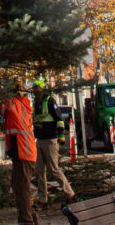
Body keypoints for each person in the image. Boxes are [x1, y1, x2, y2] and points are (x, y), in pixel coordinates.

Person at [31, 79, 75, 208]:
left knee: (54, 169)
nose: (34, 90)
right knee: (39, 170)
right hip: (39, 140)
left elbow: (59, 119)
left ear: (42, 88)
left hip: (50, 140)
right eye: (33, 88)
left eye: (36, 88)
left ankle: (70, 194)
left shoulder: (49, 101)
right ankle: (42, 199)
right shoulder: (35, 103)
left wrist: (61, 135)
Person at [0, 87, 38, 225]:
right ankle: (30, 218)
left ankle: (27, 221)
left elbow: (6, 104)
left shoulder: (16, 105)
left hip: (23, 153)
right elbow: (2, 109)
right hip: (23, 153)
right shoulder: (21, 106)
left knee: (21, 189)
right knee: (20, 187)